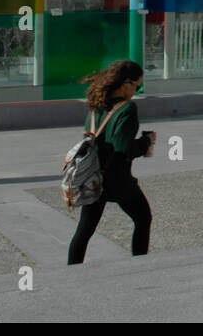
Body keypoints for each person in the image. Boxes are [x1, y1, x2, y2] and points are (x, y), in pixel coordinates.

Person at [66, 59, 157, 265]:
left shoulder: (96, 106)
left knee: (84, 230)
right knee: (143, 218)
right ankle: (140, 265)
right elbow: (123, 148)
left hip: (93, 175)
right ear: (126, 84)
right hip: (117, 179)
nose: (137, 90)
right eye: (137, 86)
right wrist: (145, 142)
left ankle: (72, 271)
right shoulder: (127, 109)